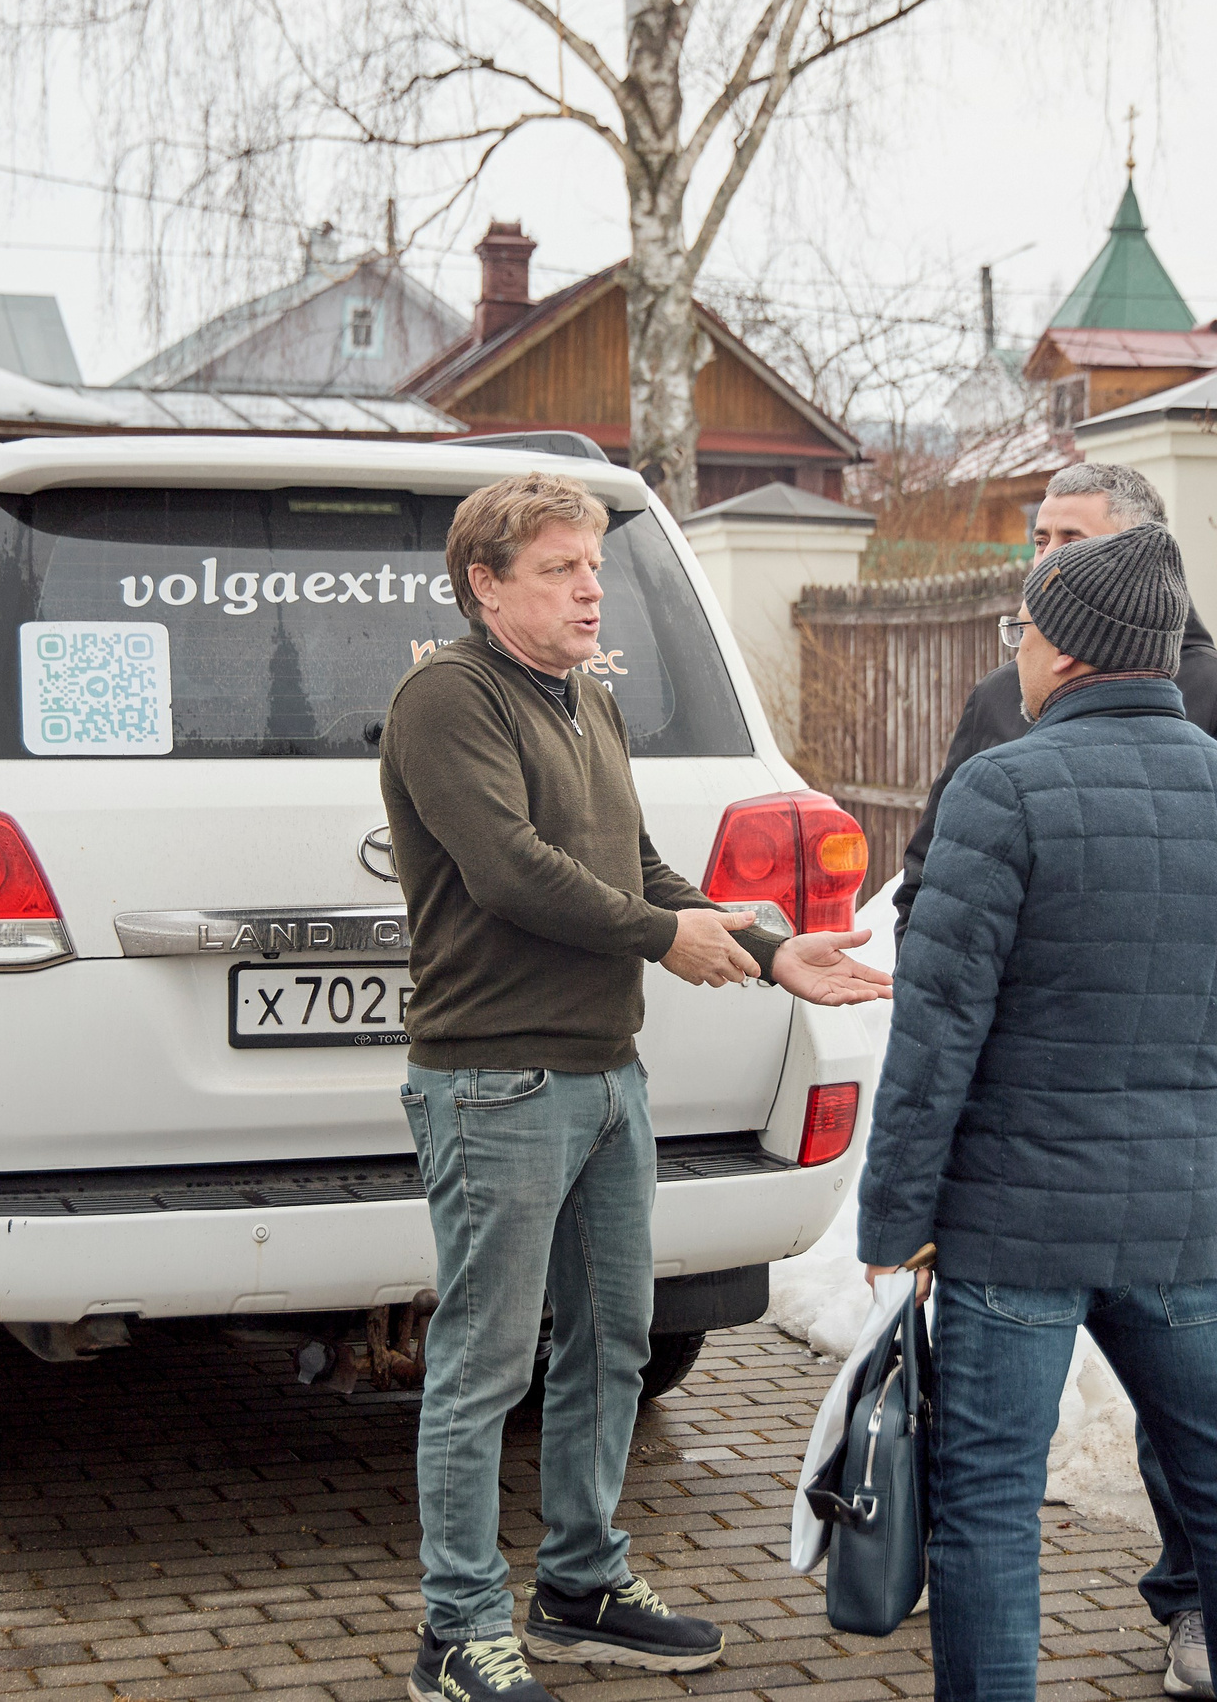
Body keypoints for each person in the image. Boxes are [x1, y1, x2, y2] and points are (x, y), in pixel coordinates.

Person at [379, 469, 892, 1702]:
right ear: (485, 584)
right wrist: (668, 943)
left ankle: (581, 1583)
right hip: (495, 1080)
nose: (588, 590)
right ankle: (454, 1630)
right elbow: (513, 871)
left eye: (594, 569)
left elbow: (638, 864)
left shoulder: (582, 701)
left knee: (611, 1339)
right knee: (482, 1362)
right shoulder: (446, 698)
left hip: (607, 1077)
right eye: (559, 569)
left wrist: (767, 948)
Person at [858, 522, 1217, 1702]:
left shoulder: (1001, 789)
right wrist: (1165, 1101)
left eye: (1020, 627)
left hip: (1010, 1225)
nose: (1013, 648)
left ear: (1062, 648)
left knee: (989, 1509)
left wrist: (890, 1222)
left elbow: (935, 1035)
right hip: (1171, 1217)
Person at [894, 461, 1217, 954]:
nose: (1047, 557)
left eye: (1072, 539)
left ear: (1138, 553)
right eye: (1041, 539)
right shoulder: (999, 693)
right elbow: (931, 872)